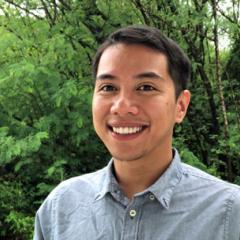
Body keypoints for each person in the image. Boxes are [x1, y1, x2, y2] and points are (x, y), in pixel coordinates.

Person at [33, 25, 240, 240]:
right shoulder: (60, 207)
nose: (121, 107)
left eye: (146, 87)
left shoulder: (229, 213)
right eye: (108, 88)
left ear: (180, 106)